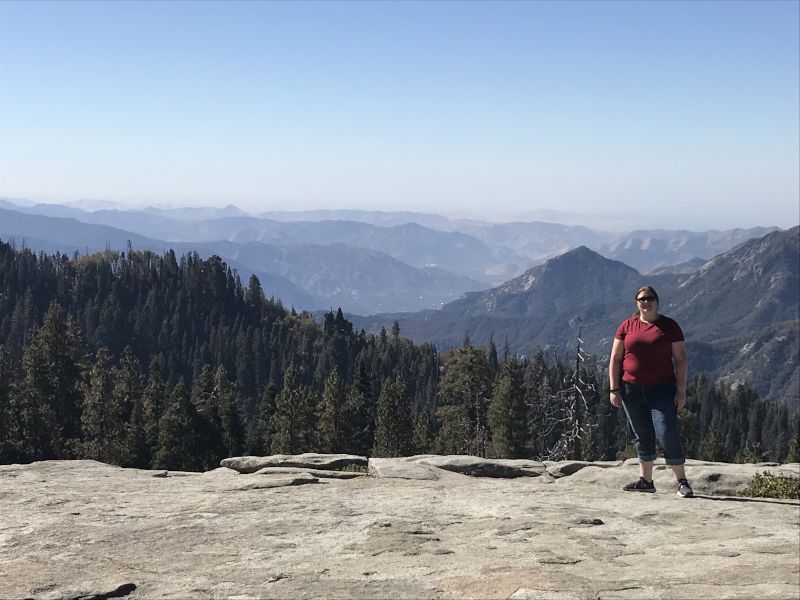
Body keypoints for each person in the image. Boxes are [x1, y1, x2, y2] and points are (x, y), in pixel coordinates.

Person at [609, 286, 693, 498]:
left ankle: (681, 481)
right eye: (641, 299)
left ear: (657, 301)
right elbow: (615, 359)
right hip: (630, 389)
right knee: (642, 434)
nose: (646, 302)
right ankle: (646, 480)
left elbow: (681, 359)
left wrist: (681, 391)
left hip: (662, 389)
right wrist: (614, 388)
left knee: (667, 431)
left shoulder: (669, 326)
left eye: (650, 298)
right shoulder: (627, 325)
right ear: (636, 302)